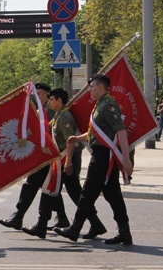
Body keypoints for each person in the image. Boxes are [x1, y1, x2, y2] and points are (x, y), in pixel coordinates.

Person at [54, 74, 134, 245]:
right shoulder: (99, 106)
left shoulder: (108, 105)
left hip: (104, 156)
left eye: (91, 87)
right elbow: (93, 134)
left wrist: (126, 160)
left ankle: (75, 228)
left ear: (100, 87)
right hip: (101, 153)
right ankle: (124, 232)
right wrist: (76, 138)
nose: (89, 90)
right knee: (113, 195)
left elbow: (121, 132)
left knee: (88, 192)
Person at [22, 88, 106, 239]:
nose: (50, 102)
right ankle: (96, 223)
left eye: (52, 99)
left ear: (59, 100)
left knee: (49, 190)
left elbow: (70, 140)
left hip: (65, 159)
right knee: (75, 193)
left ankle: (41, 225)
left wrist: (67, 162)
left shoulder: (64, 117)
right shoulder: (59, 116)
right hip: (61, 160)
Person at [0, 83, 66, 231]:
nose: (38, 96)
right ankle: (61, 217)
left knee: (34, 186)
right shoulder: (38, 111)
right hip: (41, 155)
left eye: (41, 93)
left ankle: (20, 217)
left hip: (48, 155)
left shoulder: (50, 111)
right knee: (46, 187)